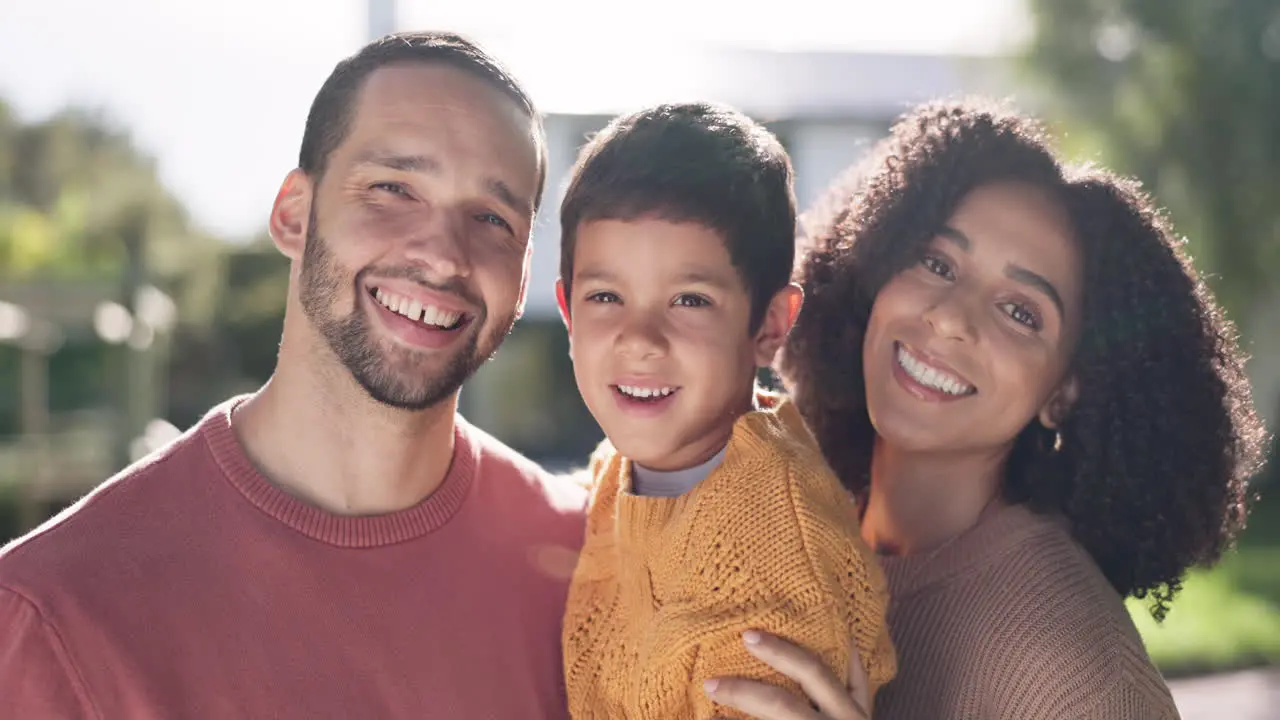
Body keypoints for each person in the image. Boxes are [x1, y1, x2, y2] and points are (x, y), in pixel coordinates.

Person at [0, 31, 590, 718]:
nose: (443, 255)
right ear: (293, 215)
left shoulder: (598, 567)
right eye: (394, 188)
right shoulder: (53, 617)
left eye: (493, 218)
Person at [766, 98, 1270, 719]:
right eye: (936, 262)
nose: (950, 317)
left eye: (1020, 312)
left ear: (1063, 394)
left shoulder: (1077, 674)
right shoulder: (787, 521)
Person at [553, 103, 896, 719]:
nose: (639, 339)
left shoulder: (770, 568)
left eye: (689, 300)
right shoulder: (633, 462)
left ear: (768, 325)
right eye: (606, 296)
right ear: (569, 313)